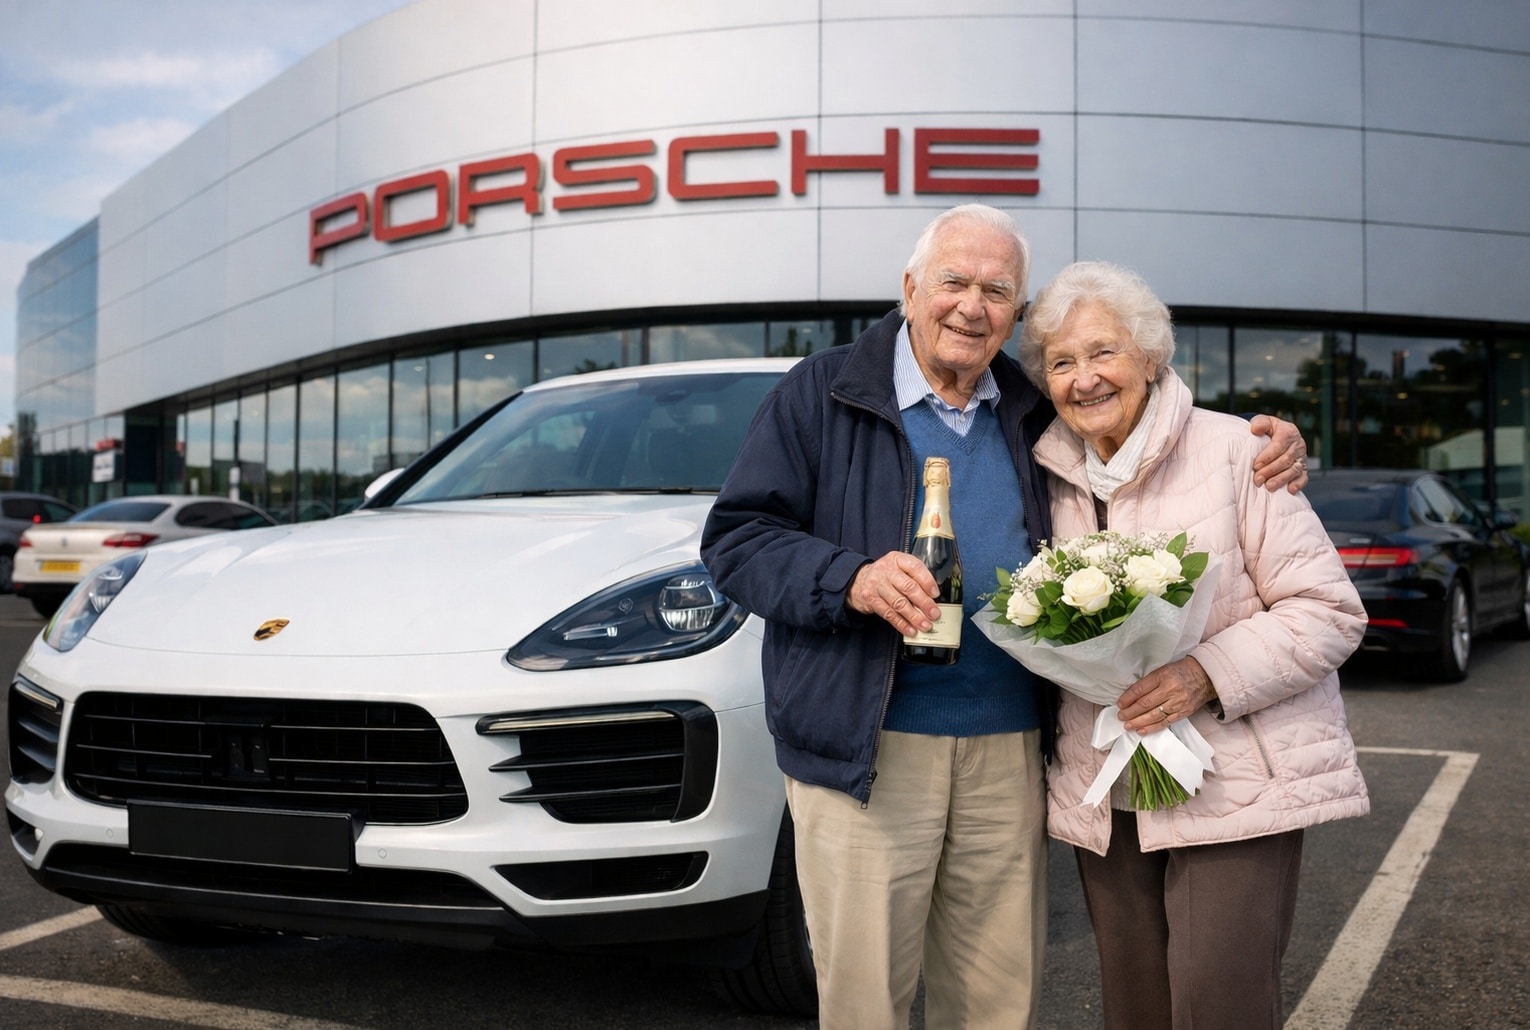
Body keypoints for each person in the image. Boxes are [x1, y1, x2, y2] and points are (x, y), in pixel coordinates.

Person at [700, 205, 1308, 1029]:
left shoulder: (1033, 404)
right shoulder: (824, 390)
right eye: (953, 281)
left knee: (995, 996)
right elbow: (739, 539)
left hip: (1011, 746)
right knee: (867, 997)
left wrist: (1261, 437)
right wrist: (849, 579)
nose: (971, 306)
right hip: (868, 748)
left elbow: (1139, 419)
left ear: (1015, 313)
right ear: (911, 287)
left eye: (997, 290)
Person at [1018, 260, 1369, 1030]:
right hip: (1108, 784)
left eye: (1104, 352)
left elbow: (1328, 611)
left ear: (1150, 357)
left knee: (1221, 1002)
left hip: (1235, 779)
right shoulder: (1041, 473)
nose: (1085, 379)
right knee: (1134, 1003)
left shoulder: (1239, 452)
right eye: (1063, 362)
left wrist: (1203, 674)